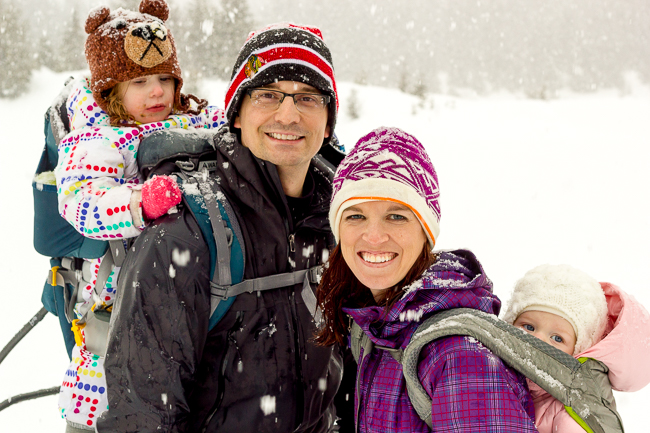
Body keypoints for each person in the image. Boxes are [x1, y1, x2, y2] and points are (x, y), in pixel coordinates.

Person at [95, 23, 351, 432]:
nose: (288, 114)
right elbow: (143, 417)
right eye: (268, 95)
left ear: (327, 123)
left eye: (307, 98)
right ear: (237, 114)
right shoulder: (184, 233)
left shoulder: (343, 221)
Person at [53, 1, 225, 431]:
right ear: (110, 91)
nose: (158, 93)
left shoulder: (196, 120)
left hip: (191, 278)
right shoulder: (101, 139)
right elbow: (80, 200)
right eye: (141, 81)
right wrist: (134, 203)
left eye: (166, 79)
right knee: (108, 372)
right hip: (117, 288)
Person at [315, 126, 539, 432]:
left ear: (426, 232)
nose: (375, 236)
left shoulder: (457, 354)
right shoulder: (375, 325)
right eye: (356, 215)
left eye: (397, 216)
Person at [502, 264, 650, 433]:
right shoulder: (492, 374)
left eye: (557, 338)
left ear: (578, 352)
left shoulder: (570, 412)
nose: (537, 339)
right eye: (528, 327)